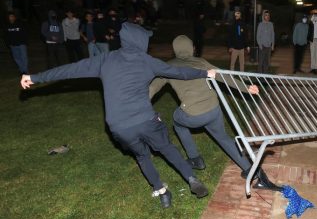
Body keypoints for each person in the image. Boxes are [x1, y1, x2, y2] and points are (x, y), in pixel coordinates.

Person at [20, 22, 216, 208]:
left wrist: (34, 77)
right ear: (139, 40)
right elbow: (179, 72)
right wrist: (205, 74)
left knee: (141, 156)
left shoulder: (105, 59)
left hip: (119, 127)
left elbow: (69, 70)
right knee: (166, 148)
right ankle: (191, 178)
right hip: (146, 120)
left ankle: (162, 192)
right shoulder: (147, 61)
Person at [149, 35, 282, 191]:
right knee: (223, 137)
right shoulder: (201, 62)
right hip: (214, 109)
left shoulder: (168, 67)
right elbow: (223, 76)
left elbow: (150, 90)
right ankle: (252, 171)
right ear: (191, 48)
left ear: (175, 50)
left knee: (177, 121)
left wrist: (135, 107)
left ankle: (195, 159)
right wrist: (246, 88)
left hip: (192, 114)